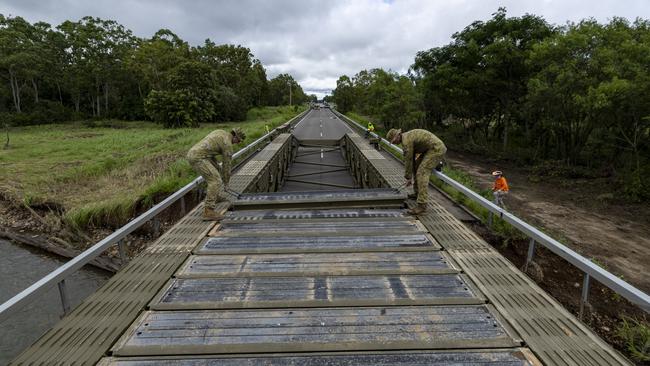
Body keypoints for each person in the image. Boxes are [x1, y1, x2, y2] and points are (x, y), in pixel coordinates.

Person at [187, 128, 246, 221]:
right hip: (198, 157)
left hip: (199, 154)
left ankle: (215, 197)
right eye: (238, 141)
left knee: (218, 170)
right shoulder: (227, 145)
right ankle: (208, 211)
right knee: (215, 180)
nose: (237, 143)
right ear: (235, 136)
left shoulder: (221, 132)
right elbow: (227, 167)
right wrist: (226, 184)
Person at [386, 128, 446, 215]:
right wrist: (409, 177)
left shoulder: (406, 142)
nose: (394, 143)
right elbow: (412, 163)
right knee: (417, 167)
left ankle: (422, 205)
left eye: (394, 141)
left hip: (436, 149)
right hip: (428, 149)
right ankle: (417, 193)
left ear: (398, 136)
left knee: (422, 172)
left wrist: (408, 178)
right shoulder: (406, 138)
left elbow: (408, 161)